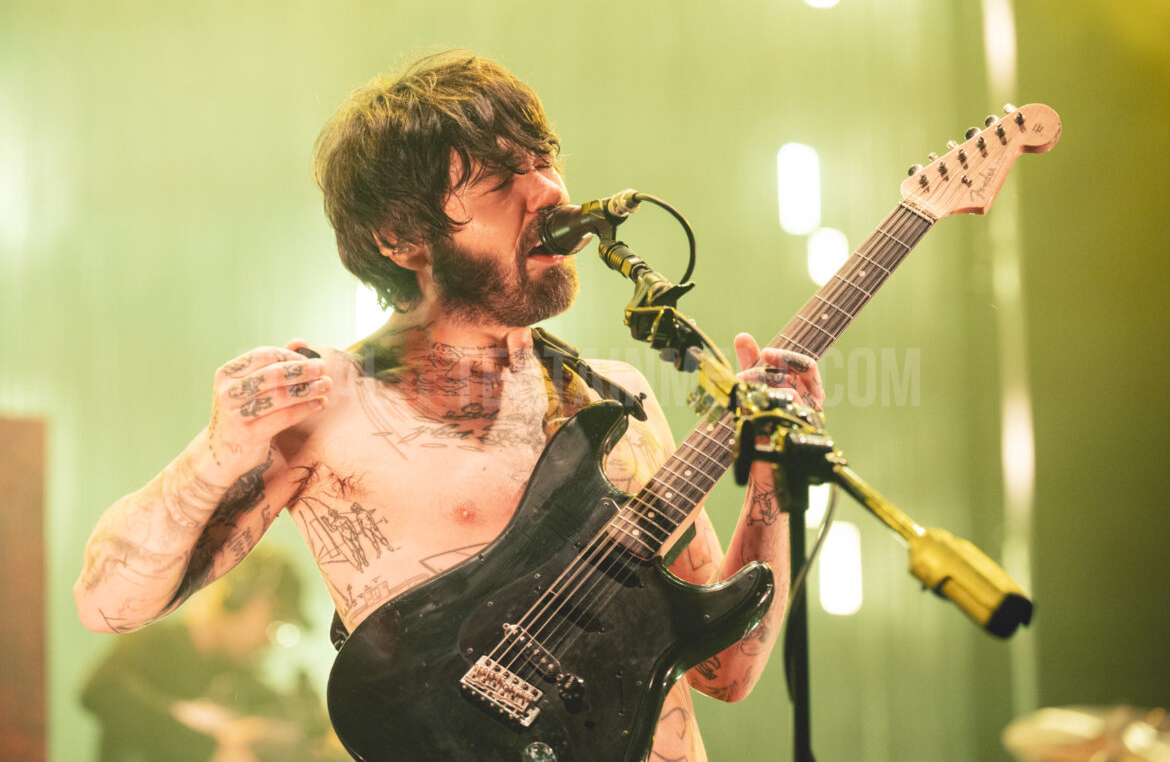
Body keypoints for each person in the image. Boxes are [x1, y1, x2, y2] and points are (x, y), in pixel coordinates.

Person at [74, 50, 825, 761]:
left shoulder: (617, 396)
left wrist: (770, 467)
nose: (550, 191)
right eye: (502, 180)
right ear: (402, 236)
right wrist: (217, 453)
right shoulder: (327, 402)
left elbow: (726, 671)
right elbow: (108, 604)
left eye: (544, 160)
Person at [80, 547, 346, 762]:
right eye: (273, 622)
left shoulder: (239, 674)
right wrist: (208, 747)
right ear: (238, 596)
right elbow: (99, 691)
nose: (268, 641)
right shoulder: (153, 642)